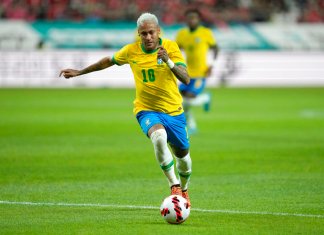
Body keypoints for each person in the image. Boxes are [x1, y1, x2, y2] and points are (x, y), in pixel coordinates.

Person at [59, 13, 192, 207]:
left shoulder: (170, 47)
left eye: (151, 33)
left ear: (158, 32)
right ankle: (174, 185)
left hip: (174, 112)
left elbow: (186, 79)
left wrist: (169, 61)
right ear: (138, 34)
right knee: (158, 137)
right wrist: (80, 71)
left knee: (184, 159)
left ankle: (185, 189)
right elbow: (108, 61)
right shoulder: (131, 51)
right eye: (143, 34)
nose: (147, 37)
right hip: (146, 110)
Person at [176, 9, 219, 134]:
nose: (191, 20)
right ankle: (192, 125)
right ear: (186, 20)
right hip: (186, 73)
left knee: (189, 97)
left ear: (199, 19)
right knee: (180, 100)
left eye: (194, 18)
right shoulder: (182, 34)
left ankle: (206, 98)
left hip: (201, 73)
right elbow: (176, 50)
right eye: (189, 18)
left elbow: (215, 48)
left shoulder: (205, 33)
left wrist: (212, 64)